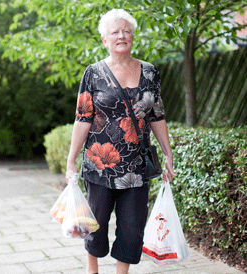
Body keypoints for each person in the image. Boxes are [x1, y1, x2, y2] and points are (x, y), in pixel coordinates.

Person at [66, 9, 176, 274]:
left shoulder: (150, 73)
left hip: (136, 167)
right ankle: (92, 270)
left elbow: (157, 115)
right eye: (115, 32)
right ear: (105, 39)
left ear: (133, 37)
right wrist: (71, 159)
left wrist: (167, 153)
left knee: (131, 228)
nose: (121, 36)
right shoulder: (92, 73)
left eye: (126, 31)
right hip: (99, 165)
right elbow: (83, 118)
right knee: (95, 224)